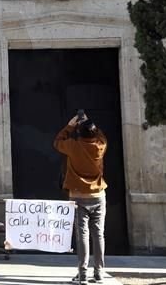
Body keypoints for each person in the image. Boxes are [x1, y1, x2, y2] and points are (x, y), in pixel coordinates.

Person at [54, 111, 108, 284]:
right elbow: (101, 136)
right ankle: (99, 273)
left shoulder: (73, 146)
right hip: (98, 195)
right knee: (98, 234)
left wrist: (70, 126)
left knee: (82, 235)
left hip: (77, 196)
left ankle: (82, 274)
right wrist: (89, 123)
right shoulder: (100, 145)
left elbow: (57, 142)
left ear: (79, 132)